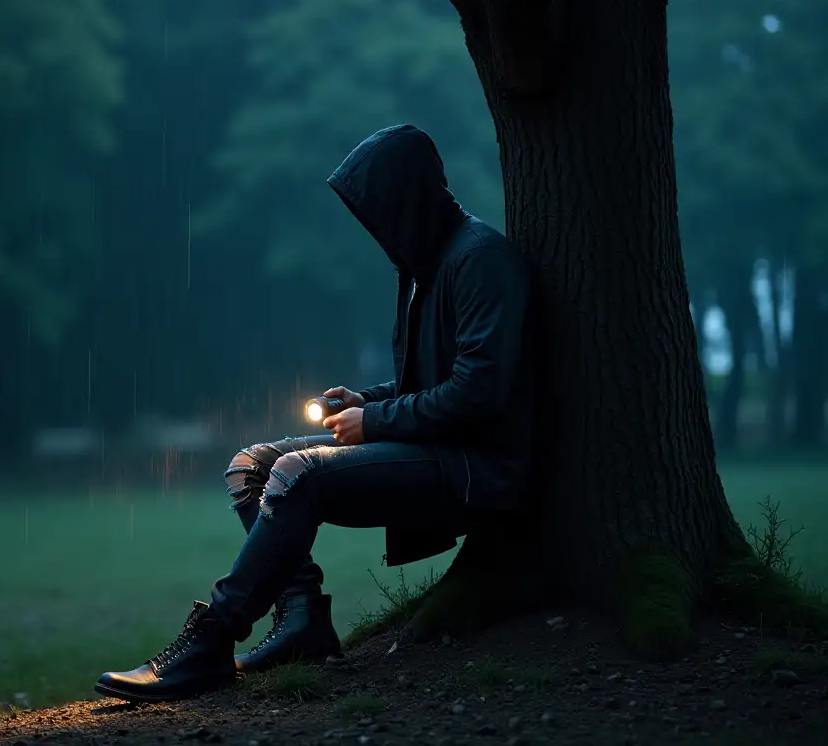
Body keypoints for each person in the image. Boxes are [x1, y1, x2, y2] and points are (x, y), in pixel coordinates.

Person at [94, 124, 535, 703]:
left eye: (378, 208)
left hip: (475, 466)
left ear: (406, 198)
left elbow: (477, 392)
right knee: (250, 466)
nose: (372, 225)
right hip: (435, 445)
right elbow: (427, 381)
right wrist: (365, 401)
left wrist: (374, 423)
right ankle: (301, 620)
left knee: (297, 474)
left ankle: (211, 642)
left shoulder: (478, 260)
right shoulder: (425, 261)